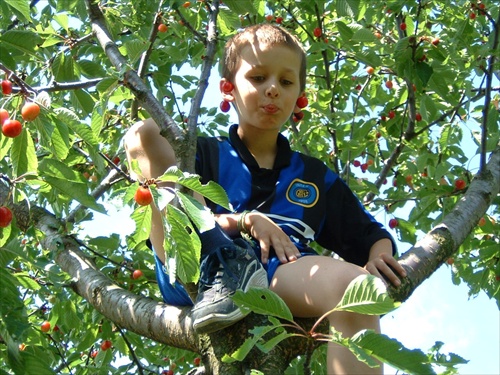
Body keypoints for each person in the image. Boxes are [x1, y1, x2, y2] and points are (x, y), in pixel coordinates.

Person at [124, 23, 407, 374]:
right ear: (228, 89)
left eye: (286, 82)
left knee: (358, 291)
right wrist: (242, 221)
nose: (272, 89)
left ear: (299, 97)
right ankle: (222, 266)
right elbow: (176, 205)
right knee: (143, 131)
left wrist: (380, 254)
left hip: (278, 271)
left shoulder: (315, 177)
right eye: (258, 78)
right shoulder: (203, 154)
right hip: (196, 265)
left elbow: (366, 232)